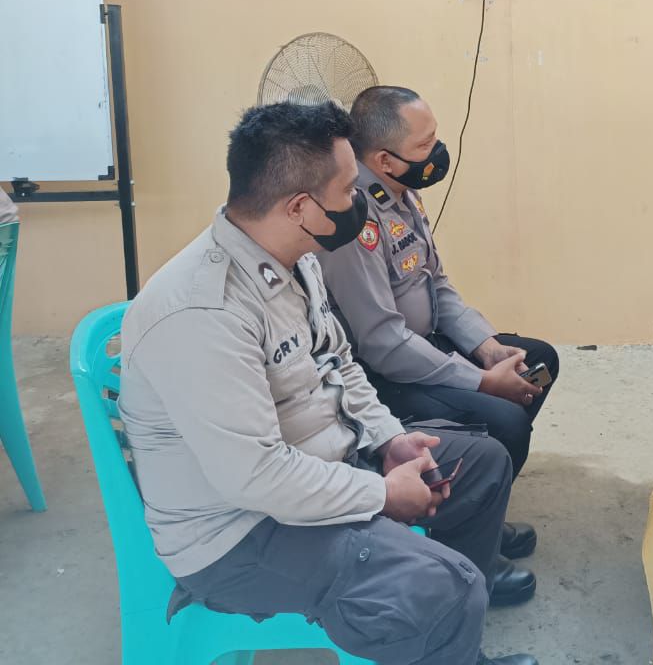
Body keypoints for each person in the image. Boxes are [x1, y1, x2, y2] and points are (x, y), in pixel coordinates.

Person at [118, 102, 536, 665]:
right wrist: (382, 494)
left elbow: (340, 364)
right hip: (241, 533)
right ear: (299, 207)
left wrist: (390, 439)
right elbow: (257, 478)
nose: (358, 200)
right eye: (346, 190)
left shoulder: (297, 254)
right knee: (445, 585)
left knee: (482, 466)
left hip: (322, 464)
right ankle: (450, 622)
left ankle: (448, 639)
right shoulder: (202, 314)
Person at [317, 85, 558, 567]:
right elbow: (384, 343)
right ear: (385, 160)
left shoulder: (403, 195)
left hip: (423, 344)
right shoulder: (357, 222)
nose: (438, 153)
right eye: (425, 146)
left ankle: (480, 510)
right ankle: (461, 548)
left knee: (538, 360)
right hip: (384, 373)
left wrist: (487, 348)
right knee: (505, 419)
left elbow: (436, 286)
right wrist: (481, 381)